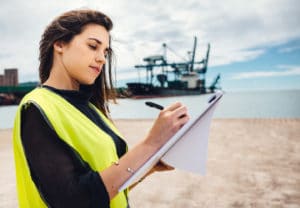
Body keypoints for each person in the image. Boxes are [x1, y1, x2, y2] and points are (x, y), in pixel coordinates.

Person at [13, 9, 189, 208]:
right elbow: (75, 200)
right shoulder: (36, 107)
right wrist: (150, 143)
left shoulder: (92, 109)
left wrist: (149, 165)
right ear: (60, 44)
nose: (102, 59)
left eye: (105, 52)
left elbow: (106, 188)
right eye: (93, 46)